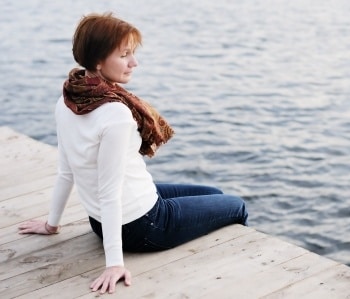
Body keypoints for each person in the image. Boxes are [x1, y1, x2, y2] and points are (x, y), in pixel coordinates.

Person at [18, 12, 248, 295]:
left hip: (103, 220)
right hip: (143, 225)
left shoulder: (68, 99)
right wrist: (114, 263)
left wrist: (52, 224)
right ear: (98, 61)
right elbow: (109, 192)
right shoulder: (115, 114)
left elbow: (67, 170)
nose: (134, 62)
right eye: (125, 54)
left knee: (213, 191)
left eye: (133, 53)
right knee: (236, 205)